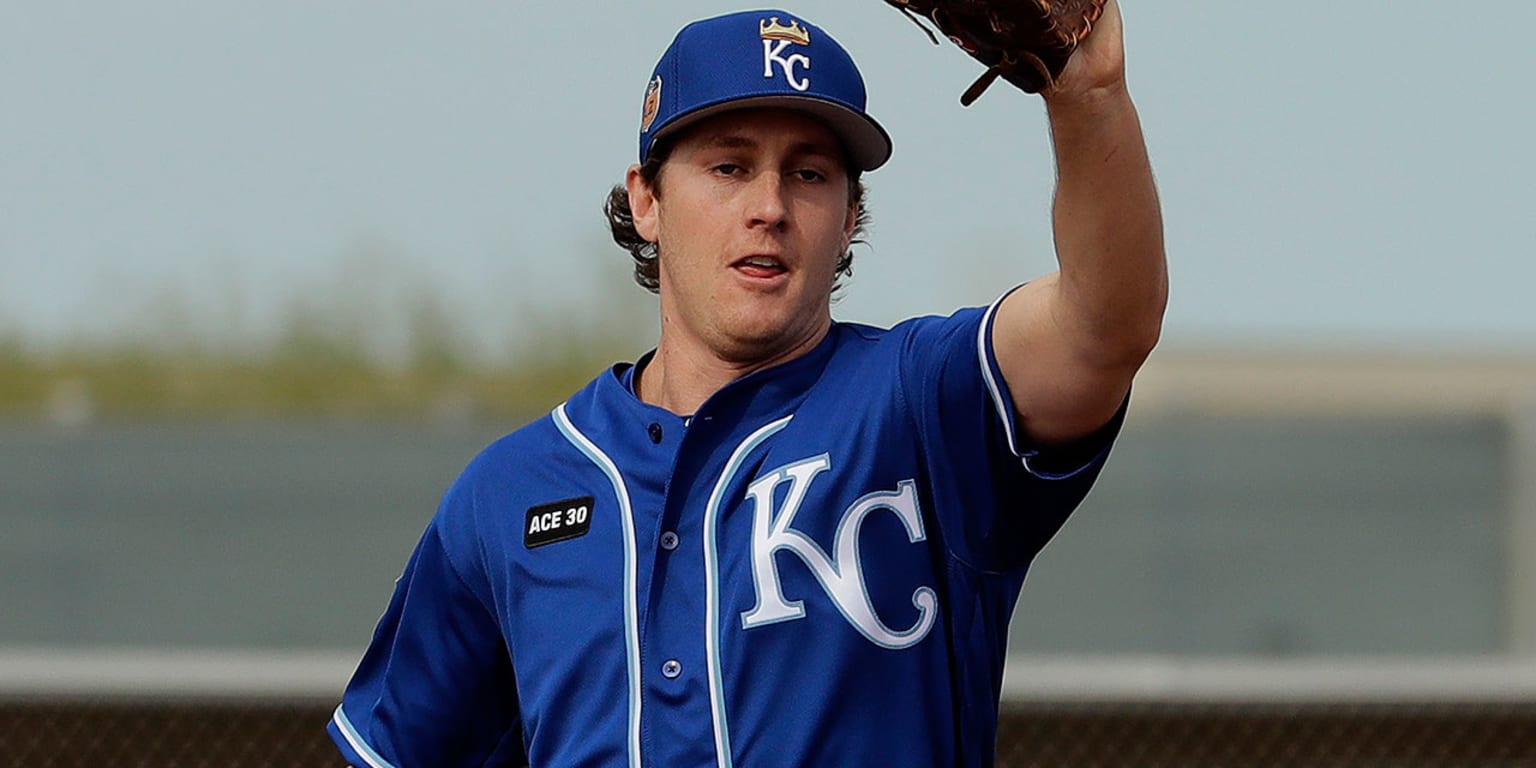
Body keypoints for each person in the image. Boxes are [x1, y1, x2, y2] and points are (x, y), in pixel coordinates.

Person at [328, 5, 1165, 767]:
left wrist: (1087, 96)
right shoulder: (510, 495)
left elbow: (1103, 328)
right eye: (729, 168)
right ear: (646, 200)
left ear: (849, 219)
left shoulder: (920, 405)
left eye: (809, 174)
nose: (769, 205)